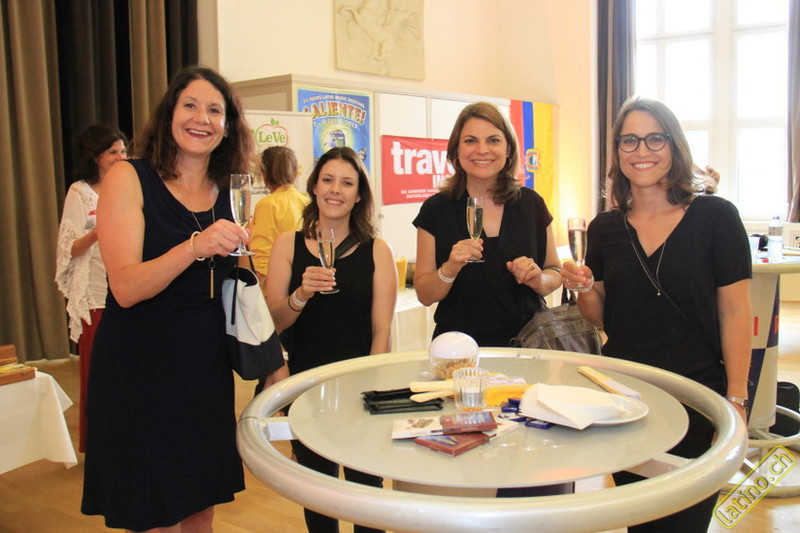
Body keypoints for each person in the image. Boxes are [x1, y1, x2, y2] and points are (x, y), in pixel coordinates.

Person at [563, 96, 752, 532]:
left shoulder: (716, 217)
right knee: (641, 521)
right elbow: (600, 318)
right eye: (629, 140)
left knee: (686, 520)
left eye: (655, 139)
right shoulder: (605, 227)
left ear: (674, 145)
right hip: (626, 398)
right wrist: (585, 287)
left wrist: (737, 399)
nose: (641, 151)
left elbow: (736, 312)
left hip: (699, 395)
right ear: (616, 151)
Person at [81, 66, 253, 532]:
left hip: (204, 366)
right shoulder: (128, 177)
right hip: (141, 367)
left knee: (200, 504)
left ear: (228, 126)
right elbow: (125, 288)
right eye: (190, 105)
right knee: (154, 512)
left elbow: (234, 283)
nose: (202, 118)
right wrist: (196, 246)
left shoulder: (230, 190)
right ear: (169, 114)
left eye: (215, 110)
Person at [412, 101, 566, 497]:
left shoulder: (531, 204)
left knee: (527, 466)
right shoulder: (436, 209)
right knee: (466, 467)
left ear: (508, 149)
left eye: (493, 140)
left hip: (525, 351)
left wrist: (537, 277)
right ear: (456, 150)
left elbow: (554, 273)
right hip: (459, 358)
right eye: (471, 141)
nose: (482, 150)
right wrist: (450, 267)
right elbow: (426, 293)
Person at [266, 146, 397, 533]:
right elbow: (274, 322)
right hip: (306, 387)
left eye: (346, 183)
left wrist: (370, 392)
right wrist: (301, 294)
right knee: (317, 492)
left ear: (359, 195)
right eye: (327, 180)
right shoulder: (287, 245)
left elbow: (382, 331)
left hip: (360, 388)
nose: (335, 190)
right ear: (313, 187)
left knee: (366, 491)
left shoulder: (377, 251)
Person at [55, 123, 127, 453]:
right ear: (96, 156)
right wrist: (100, 230)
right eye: (112, 152)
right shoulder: (81, 192)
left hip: (127, 289)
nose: (120, 157)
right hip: (96, 293)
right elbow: (69, 248)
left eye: (123, 151)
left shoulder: (129, 189)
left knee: (125, 372)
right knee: (98, 371)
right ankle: (99, 444)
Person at [250, 146, 309, 294]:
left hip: (277, 287)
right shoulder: (306, 201)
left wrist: (263, 294)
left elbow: (262, 259)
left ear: (264, 173)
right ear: (295, 172)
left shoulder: (268, 205)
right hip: (303, 284)